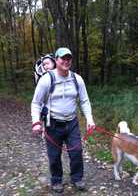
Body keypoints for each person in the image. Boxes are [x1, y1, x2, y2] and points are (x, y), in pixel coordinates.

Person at [31, 47, 96, 193]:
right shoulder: (47, 80)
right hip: (52, 123)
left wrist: (89, 120)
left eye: (69, 59)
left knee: (77, 151)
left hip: (72, 122)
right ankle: (56, 180)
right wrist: (36, 122)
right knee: (54, 156)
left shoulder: (77, 79)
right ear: (56, 60)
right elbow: (36, 103)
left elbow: (84, 101)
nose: (66, 61)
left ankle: (77, 178)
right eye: (63, 58)